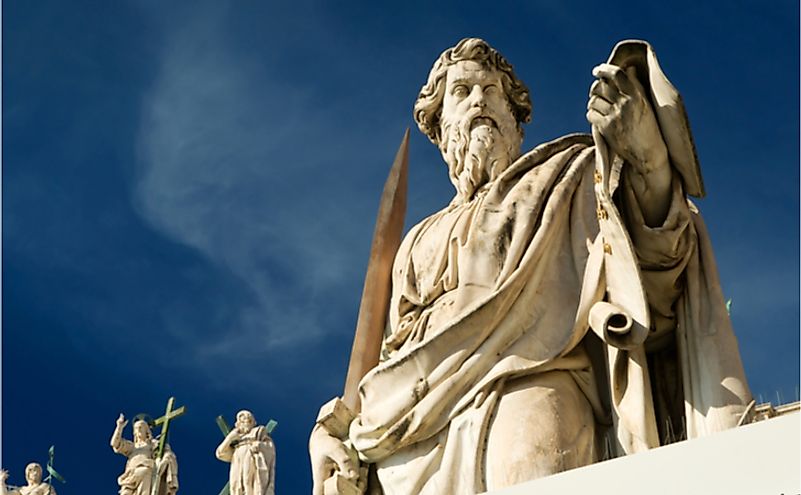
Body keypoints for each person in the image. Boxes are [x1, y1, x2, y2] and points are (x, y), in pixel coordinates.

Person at [309, 37, 752, 494]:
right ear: (441, 130)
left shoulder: (564, 178)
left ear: (516, 120)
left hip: (531, 380)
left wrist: (648, 160)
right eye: (461, 92)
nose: (479, 98)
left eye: (491, 90)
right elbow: (385, 361)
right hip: (409, 431)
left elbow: (654, 263)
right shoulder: (414, 243)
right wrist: (333, 430)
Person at [111, 414, 179, 495]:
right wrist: (119, 427)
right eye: (136, 428)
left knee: (144, 471)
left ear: (146, 431)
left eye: (140, 427)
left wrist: (164, 461)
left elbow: (168, 454)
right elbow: (115, 444)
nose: (138, 430)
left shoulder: (153, 444)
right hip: (130, 477)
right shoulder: (132, 447)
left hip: (146, 473)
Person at [216, 410, 276, 495]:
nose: (246, 422)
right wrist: (229, 438)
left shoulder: (259, 431)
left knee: (248, 480)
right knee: (237, 484)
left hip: (252, 455)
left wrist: (259, 445)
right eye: (242, 420)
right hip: (237, 461)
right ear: (238, 423)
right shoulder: (235, 437)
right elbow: (220, 453)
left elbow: (269, 446)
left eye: (248, 420)